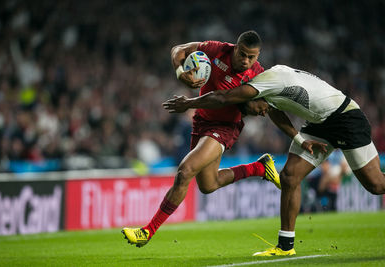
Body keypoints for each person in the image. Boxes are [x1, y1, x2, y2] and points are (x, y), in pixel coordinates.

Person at [163, 64, 385, 256]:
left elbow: (222, 97)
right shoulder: (268, 89)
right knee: (289, 177)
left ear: (254, 96)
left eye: (252, 109)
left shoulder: (264, 84)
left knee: (375, 185)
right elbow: (275, 112)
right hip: (320, 125)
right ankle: (286, 245)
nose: (259, 114)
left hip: (345, 118)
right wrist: (300, 139)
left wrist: (189, 103)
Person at [122, 31, 281, 247]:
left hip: (225, 127)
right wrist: (180, 72)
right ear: (235, 47)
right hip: (202, 122)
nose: (245, 60)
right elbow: (178, 50)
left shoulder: (258, 75)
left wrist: (188, 103)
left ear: (258, 55)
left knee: (185, 171)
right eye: (242, 54)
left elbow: (226, 100)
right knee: (208, 184)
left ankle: (147, 232)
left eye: (251, 57)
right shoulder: (217, 50)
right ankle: (260, 168)